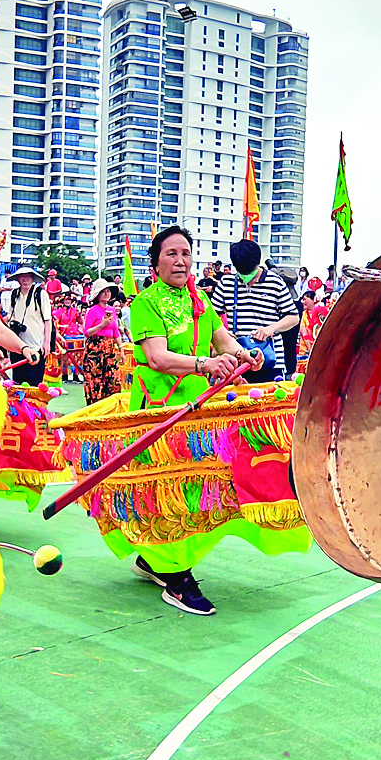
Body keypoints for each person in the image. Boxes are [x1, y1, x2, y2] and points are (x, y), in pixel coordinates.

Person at [110, 225, 274, 615]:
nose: (181, 260)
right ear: (155, 264)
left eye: (186, 253)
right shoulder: (146, 302)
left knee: (202, 488)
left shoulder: (199, 299)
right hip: (161, 412)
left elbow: (222, 339)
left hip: (200, 410)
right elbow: (157, 358)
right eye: (171, 253)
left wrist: (244, 354)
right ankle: (177, 577)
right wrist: (206, 364)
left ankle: (155, 560)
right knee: (170, 490)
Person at [210, 238, 301, 383]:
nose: (248, 277)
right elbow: (211, 317)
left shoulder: (275, 282)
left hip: (271, 361)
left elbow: (293, 317)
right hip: (238, 362)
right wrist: (223, 333)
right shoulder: (226, 284)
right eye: (242, 272)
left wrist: (271, 329)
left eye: (250, 271)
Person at [76, 278, 128, 404]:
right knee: (95, 379)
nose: (106, 294)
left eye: (108, 291)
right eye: (103, 291)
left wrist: (121, 349)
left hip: (110, 348)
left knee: (112, 379)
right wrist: (102, 324)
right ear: (98, 295)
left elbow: (115, 331)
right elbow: (87, 332)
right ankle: (95, 406)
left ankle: (109, 406)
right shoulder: (92, 311)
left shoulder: (112, 310)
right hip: (95, 348)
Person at [1, 267, 55, 387]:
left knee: (35, 383)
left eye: (28, 277)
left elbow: (47, 320)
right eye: (22, 277)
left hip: (36, 344)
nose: (25, 280)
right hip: (17, 345)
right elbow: (10, 314)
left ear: (32, 279)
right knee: (17, 383)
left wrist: (47, 342)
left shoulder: (40, 294)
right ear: (18, 279)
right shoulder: (14, 294)